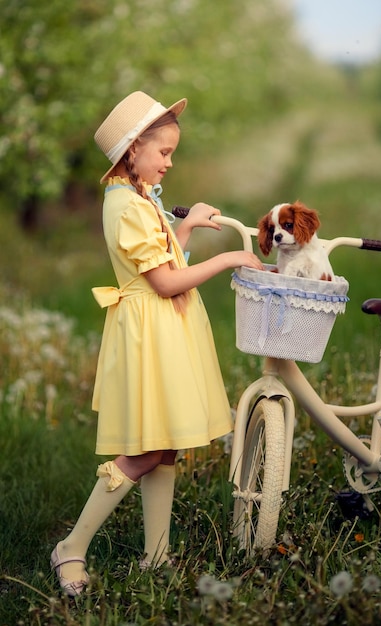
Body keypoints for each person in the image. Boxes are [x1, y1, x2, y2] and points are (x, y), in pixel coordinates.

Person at [50, 91, 263, 596]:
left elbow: (161, 265)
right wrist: (231, 259)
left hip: (162, 328)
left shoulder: (139, 198)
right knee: (145, 451)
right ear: (132, 150)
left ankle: (156, 555)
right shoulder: (127, 206)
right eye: (163, 152)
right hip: (149, 332)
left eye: (172, 152)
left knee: (164, 447)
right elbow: (167, 283)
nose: (169, 162)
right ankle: (71, 547)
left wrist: (183, 229)